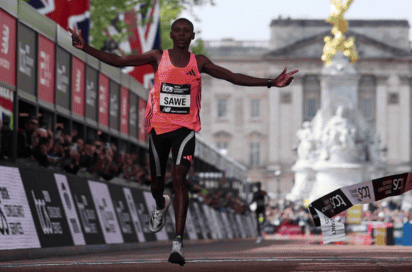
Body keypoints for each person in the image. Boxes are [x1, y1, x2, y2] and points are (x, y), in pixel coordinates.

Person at [70, 18, 297, 266]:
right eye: (177, 30)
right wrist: (85, 47)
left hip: (185, 130)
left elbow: (232, 77)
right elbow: (120, 61)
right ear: (171, 35)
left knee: (179, 178)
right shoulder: (158, 57)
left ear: (192, 36)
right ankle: (160, 204)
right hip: (158, 129)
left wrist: (270, 82)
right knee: (156, 185)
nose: (181, 34)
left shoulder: (199, 62)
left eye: (186, 31)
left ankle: (178, 242)